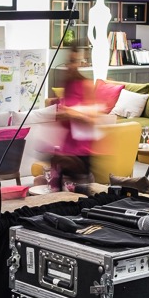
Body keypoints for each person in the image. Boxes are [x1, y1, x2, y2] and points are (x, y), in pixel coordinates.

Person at [46, 46, 101, 191]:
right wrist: (62, 114)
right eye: (69, 61)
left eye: (74, 61)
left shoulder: (85, 85)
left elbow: (92, 119)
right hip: (67, 146)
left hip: (82, 148)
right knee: (58, 189)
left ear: (80, 63)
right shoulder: (68, 85)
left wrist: (72, 113)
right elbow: (62, 115)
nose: (71, 66)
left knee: (81, 192)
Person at [87, 0, 112, 83]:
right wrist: (96, 45)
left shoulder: (107, 10)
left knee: (103, 77)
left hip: (105, 46)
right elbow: (90, 33)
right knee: (97, 76)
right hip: (98, 46)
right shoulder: (93, 10)